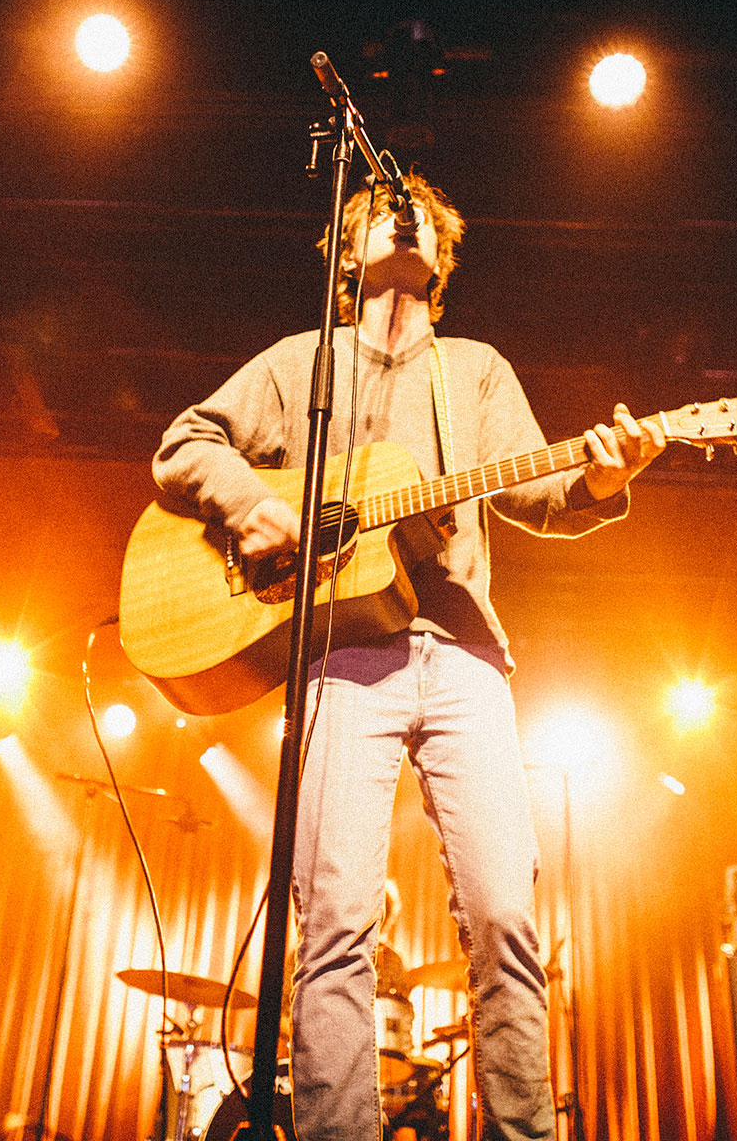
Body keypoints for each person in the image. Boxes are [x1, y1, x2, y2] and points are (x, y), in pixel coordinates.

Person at [152, 174, 665, 1141]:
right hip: (343, 657)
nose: (405, 215)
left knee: (506, 917)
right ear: (348, 254)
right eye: (384, 208)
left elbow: (538, 496)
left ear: (442, 256)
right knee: (336, 921)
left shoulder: (472, 369)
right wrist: (248, 502)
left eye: (421, 212)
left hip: (465, 656)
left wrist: (600, 478)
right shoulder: (299, 363)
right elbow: (185, 444)